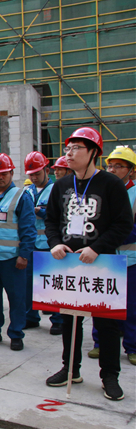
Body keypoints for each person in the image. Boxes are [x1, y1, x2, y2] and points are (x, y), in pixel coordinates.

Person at [44, 127, 132, 401]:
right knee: (70, 320)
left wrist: (97, 247)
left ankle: (109, 376)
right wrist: (55, 243)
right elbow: (51, 220)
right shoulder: (61, 185)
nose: (69, 154)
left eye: (76, 148)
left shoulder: (110, 184)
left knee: (106, 324)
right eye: (67, 149)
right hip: (68, 264)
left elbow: (123, 224)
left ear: (93, 152)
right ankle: (70, 369)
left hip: (102, 264)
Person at [88, 146, 136, 366]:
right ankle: (100, 343)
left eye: (119, 166)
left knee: (130, 306)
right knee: (101, 304)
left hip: (130, 260)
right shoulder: (101, 190)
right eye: (110, 166)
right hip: (104, 258)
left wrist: (109, 236)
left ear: (131, 170)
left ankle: (132, 347)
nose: (113, 170)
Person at [0, 153, 36, 351]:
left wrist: (24, 255)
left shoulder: (21, 197)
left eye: (3, 173)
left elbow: (28, 229)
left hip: (13, 259)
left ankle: (16, 334)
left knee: (17, 299)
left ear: (12, 173)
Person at [23, 151, 62, 335]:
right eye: (31, 174)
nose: (34, 177)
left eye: (37, 173)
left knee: (52, 283)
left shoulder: (56, 190)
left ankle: (57, 320)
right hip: (31, 244)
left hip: (49, 244)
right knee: (29, 283)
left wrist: (42, 211)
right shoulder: (27, 191)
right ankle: (30, 316)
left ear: (47, 170)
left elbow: (60, 214)